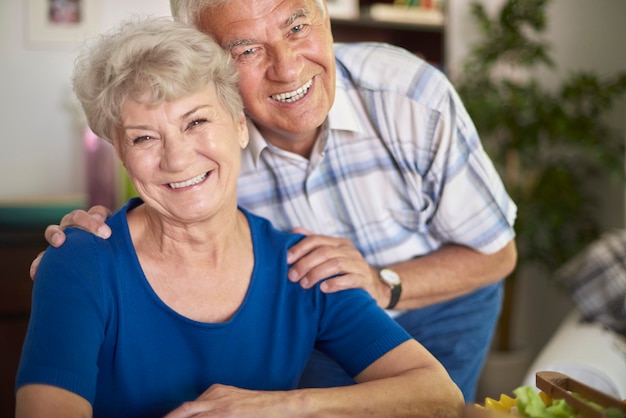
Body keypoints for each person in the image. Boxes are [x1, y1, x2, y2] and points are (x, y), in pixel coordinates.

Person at [31, 0, 518, 402]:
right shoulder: (211, 143)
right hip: (331, 307)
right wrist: (77, 258)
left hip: (443, 295)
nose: (286, 68)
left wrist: (381, 282)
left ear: (325, 16)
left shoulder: (410, 95)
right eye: (246, 50)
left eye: (298, 25)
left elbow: (496, 253)